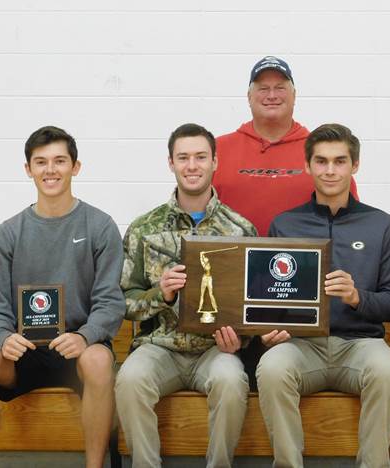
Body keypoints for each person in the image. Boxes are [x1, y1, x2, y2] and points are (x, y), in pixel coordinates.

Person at [0, 126, 125, 468]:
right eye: (40, 162)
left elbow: (110, 302)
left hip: (77, 347)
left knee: (99, 361)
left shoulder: (100, 226)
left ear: (75, 167)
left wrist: (85, 336)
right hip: (23, 351)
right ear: (28, 169)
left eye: (59, 161)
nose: (50, 170)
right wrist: (3, 337)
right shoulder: (9, 232)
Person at [256, 123, 390, 468]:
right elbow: (266, 300)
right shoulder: (285, 225)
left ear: (354, 165)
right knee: (272, 368)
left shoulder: (379, 223)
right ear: (308, 166)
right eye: (321, 161)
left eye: (339, 161)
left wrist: (357, 297)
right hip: (301, 345)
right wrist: (268, 329)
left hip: (361, 344)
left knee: (387, 371)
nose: (330, 170)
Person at [114, 123, 257, 468]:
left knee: (230, 380)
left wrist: (239, 340)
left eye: (200, 157)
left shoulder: (241, 229)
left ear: (214, 162)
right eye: (183, 158)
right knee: (130, 379)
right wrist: (159, 294)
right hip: (159, 347)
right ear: (171, 163)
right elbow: (123, 301)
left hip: (214, 350)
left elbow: (253, 307)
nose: (192, 165)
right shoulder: (145, 228)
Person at [213, 55, 358, 236]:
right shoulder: (218, 150)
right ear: (249, 96)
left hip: (307, 262)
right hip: (230, 261)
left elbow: (351, 221)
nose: (272, 95)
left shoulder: (321, 152)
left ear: (294, 95)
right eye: (263, 89)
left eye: (280, 88)